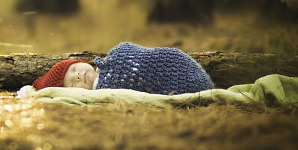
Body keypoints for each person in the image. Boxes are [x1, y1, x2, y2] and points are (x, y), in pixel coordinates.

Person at [18, 42, 214, 97]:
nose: (78, 75)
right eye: (72, 82)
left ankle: (194, 81)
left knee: (168, 60)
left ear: (84, 62)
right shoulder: (100, 92)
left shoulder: (114, 58)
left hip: (172, 63)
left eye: (75, 68)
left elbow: (139, 56)